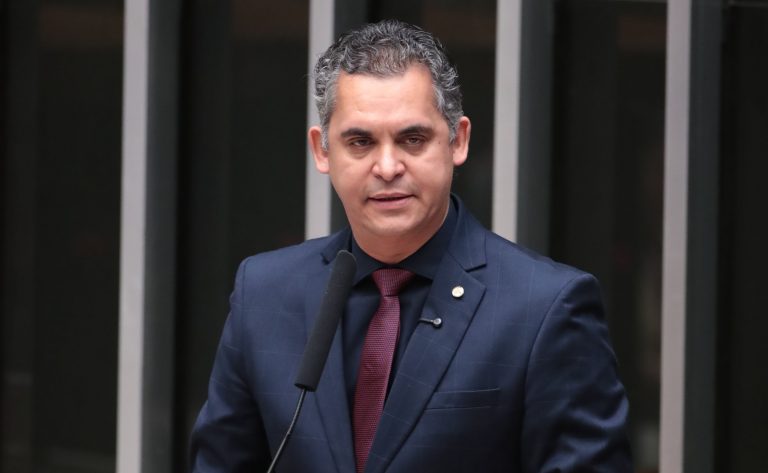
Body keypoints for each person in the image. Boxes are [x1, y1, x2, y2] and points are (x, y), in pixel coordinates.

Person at [190, 19, 632, 473]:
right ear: (322, 151)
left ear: (458, 141)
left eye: (412, 139)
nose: (387, 167)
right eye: (360, 141)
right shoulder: (264, 294)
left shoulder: (546, 307)